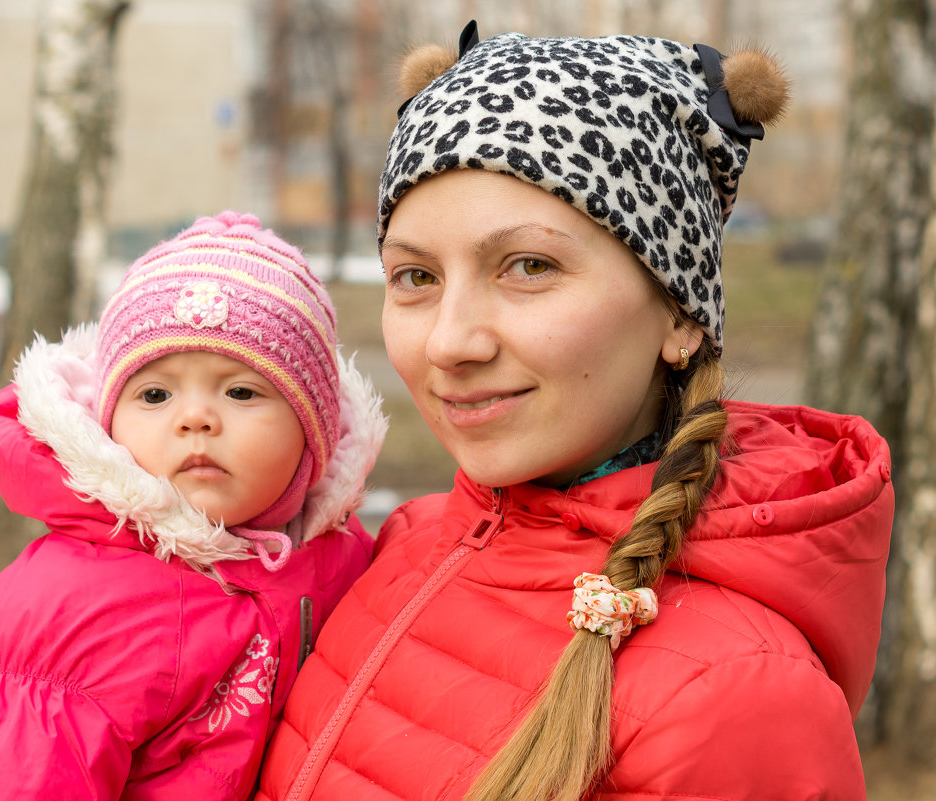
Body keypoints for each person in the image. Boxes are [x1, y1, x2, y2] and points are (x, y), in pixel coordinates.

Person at [255, 23, 893, 801]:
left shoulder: (737, 697)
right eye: (415, 275)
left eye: (529, 266)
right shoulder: (402, 547)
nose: (450, 341)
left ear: (679, 314)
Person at [0, 211, 388, 800]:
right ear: (109, 422)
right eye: (155, 393)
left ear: (315, 432)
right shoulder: (63, 617)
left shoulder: (346, 563)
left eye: (241, 391)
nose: (195, 417)